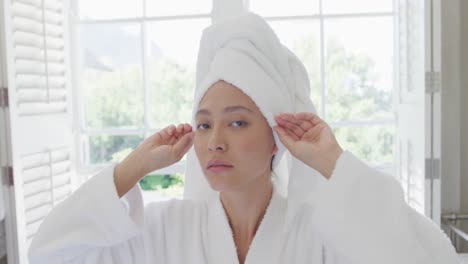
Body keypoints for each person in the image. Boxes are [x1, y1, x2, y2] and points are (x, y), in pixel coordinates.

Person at [28, 12, 460, 264]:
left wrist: (332, 163)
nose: (215, 141)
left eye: (237, 123)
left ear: (277, 136)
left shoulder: (322, 234)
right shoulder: (165, 231)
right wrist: (132, 168)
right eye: (202, 124)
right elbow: (51, 254)